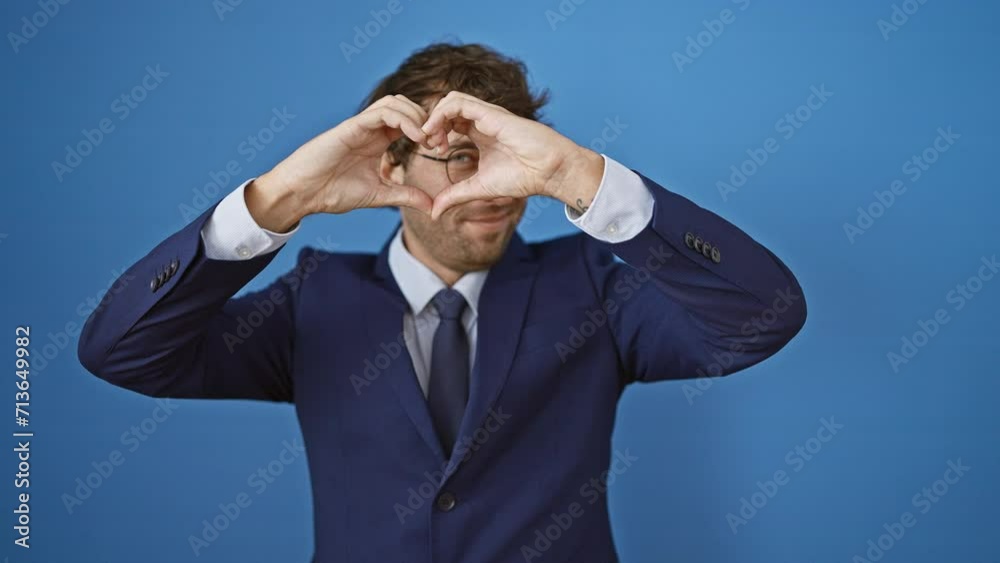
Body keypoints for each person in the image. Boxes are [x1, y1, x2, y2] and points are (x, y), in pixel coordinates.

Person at [78, 41, 807, 563]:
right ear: (391, 162)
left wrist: (582, 176)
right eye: (461, 157)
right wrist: (276, 202)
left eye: (506, 158)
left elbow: (762, 317)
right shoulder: (316, 302)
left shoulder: (593, 289)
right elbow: (122, 350)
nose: (491, 190)